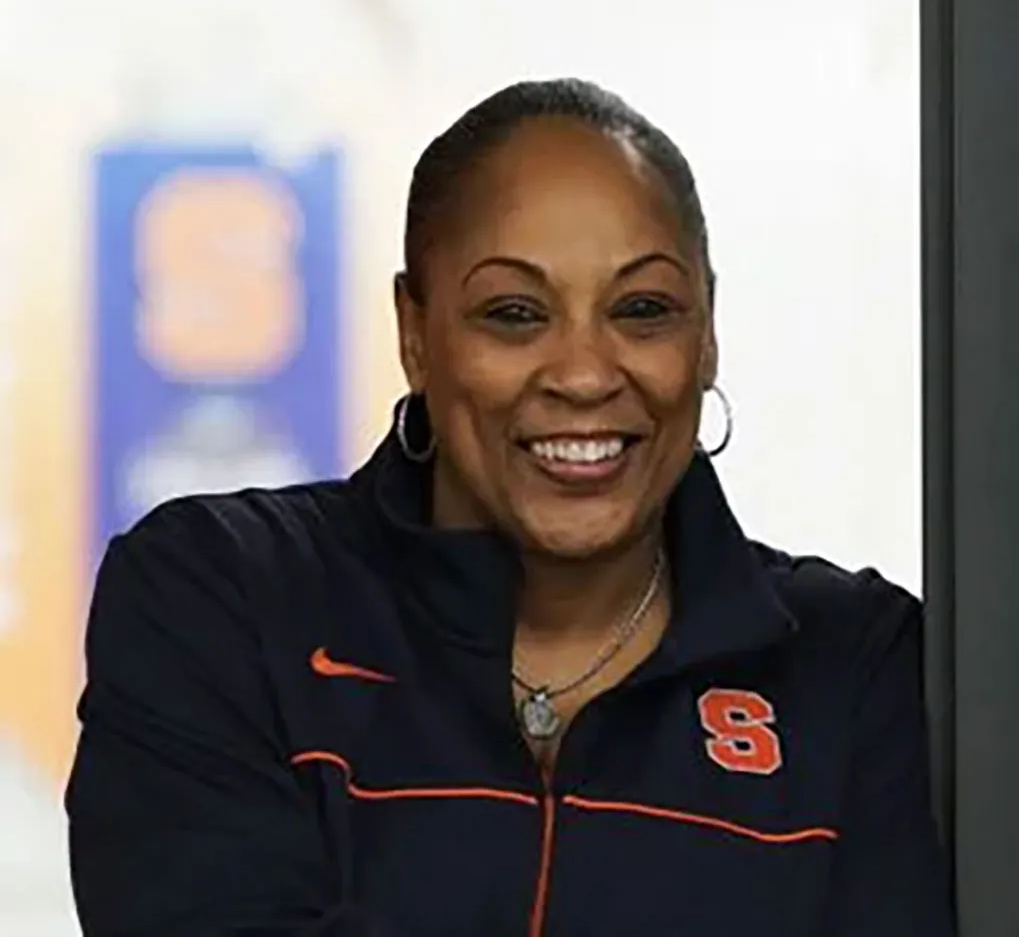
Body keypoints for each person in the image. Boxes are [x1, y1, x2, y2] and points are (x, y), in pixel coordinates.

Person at [66, 78, 955, 937]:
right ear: (415, 332)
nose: (582, 373)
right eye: (514, 313)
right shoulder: (223, 594)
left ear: (707, 330)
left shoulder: (856, 665)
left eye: (643, 310)